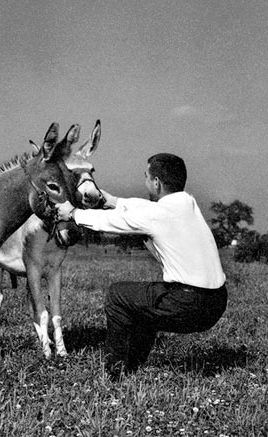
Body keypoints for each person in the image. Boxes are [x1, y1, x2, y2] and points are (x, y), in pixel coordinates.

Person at [55, 153, 227, 379]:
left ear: (156, 182)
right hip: (216, 303)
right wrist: (111, 201)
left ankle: (114, 374)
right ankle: (131, 368)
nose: (145, 181)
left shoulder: (157, 214)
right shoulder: (188, 203)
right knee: (141, 305)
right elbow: (144, 208)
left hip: (189, 305)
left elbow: (112, 222)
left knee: (118, 295)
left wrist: (74, 214)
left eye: (146, 177)